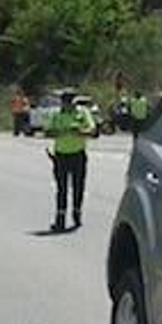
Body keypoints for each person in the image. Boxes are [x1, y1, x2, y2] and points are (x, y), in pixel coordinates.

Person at [45, 90, 96, 232]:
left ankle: (77, 213)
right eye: (67, 103)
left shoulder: (82, 113)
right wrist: (61, 131)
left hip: (78, 155)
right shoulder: (56, 114)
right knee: (61, 188)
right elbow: (48, 132)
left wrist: (78, 131)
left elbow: (92, 131)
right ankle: (60, 219)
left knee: (78, 186)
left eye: (72, 103)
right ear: (63, 103)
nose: (69, 106)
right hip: (61, 156)